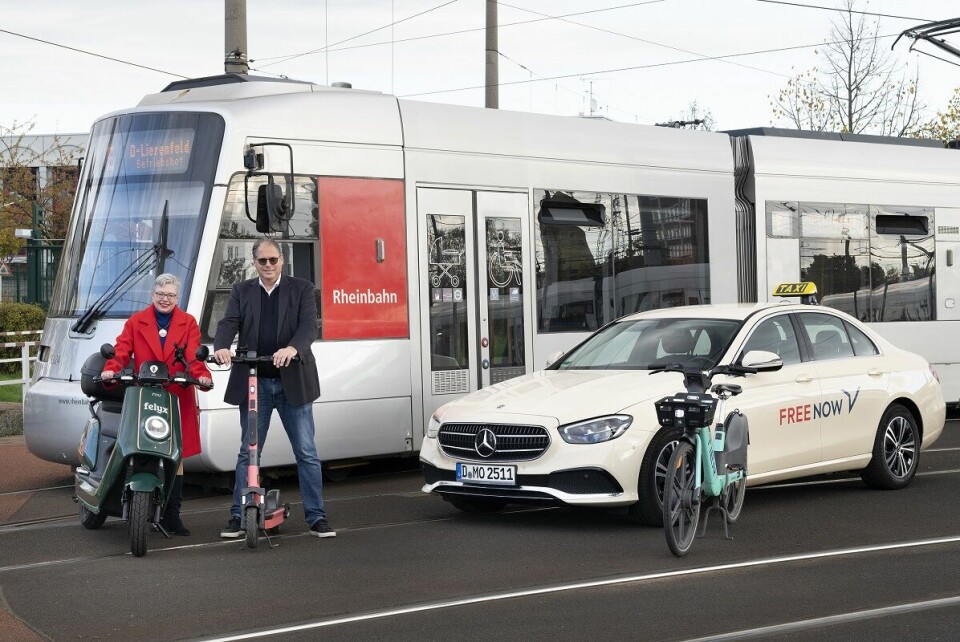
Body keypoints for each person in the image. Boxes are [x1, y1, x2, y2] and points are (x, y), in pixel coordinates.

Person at [213, 239, 334, 538]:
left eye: (273, 260)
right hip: (255, 383)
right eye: (262, 261)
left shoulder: (301, 288)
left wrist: (292, 348)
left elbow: (309, 326)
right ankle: (239, 515)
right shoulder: (242, 290)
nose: (268, 265)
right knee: (248, 452)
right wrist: (222, 347)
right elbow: (229, 322)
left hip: (293, 381)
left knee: (306, 452)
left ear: (282, 259)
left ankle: (316, 517)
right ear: (254, 262)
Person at [101, 273, 212, 536]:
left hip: (177, 394)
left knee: (176, 454)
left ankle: (172, 515)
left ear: (177, 297)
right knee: (141, 446)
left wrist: (201, 376)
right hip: (145, 395)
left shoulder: (188, 322)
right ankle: (138, 505)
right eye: (161, 294)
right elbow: (121, 351)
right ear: (152, 295)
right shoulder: (136, 321)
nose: (165, 299)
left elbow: (193, 357)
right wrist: (111, 369)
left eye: (171, 295)